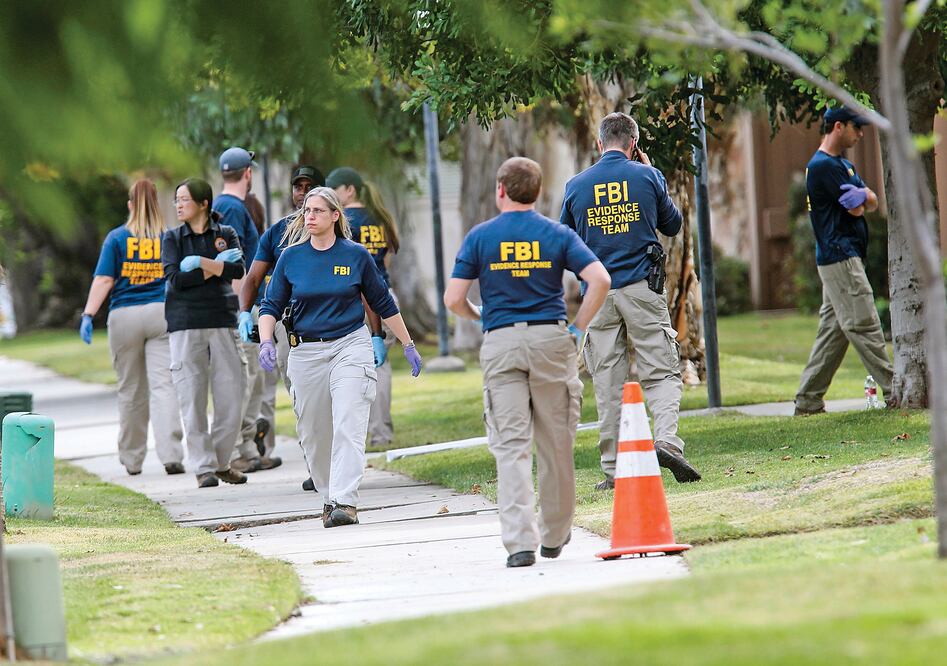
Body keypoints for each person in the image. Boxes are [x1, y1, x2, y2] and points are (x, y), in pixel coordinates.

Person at [445, 157, 610, 567]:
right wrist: (577, 328)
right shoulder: (556, 233)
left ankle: (520, 543)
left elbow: (452, 299)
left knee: (511, 445)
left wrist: (479, 314)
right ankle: (554, 535)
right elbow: (600, 279)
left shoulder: (481, 237)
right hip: (552, 337)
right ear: (537, 192)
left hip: (501, 342)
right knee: (557, 442)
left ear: (500, 189)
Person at [257, 187, 422, 528]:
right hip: (306, 351)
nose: (310, 216)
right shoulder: (291, 257)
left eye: (318, 210)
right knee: (314, 433)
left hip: (350, 345)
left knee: (349, 421)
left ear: (335, 215)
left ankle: (345, 502)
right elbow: (271, 305)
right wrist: (265, 341)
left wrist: (406, 344)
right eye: (306, 211)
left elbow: (382, 303)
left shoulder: (355, 255)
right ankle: (329, 495)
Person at [561, 111, 700, 488]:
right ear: (634, 144)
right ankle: (667, 442)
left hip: (597, 295)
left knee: (607, 380)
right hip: (643, 287)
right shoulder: (647, 176)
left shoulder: (576, 185)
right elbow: (672, 225)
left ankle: (614, 470)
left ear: (600, 142)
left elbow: (564, 242)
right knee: (662, 369)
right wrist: (652, 176)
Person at [79, 179, 185, 476]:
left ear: (129, 205)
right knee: (164, 386)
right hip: (161, 313)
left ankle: (132, 459)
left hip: (124, 316)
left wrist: (88, 314)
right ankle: (171, 455)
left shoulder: (117, 238)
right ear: (157, 204)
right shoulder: (168, 236)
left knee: (130, 389)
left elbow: (104, 280)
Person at [794, 106, 893, 415]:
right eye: (856, 127)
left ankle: (808, 401)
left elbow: (872, 201)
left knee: (833, 334)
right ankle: (896, 392)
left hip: (842, 257)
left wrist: (865, 196)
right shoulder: (823, 166)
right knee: (864, 325)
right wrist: (865, 198)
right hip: (841, 257)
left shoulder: (841, 165)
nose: (861, 133)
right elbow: (857, 209)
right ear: (839, 126)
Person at [239, 165, 324, 487]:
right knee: (301, 395)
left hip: (331, 325)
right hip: (290, 325)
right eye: (297, 187)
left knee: (329, 399)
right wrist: (246, 311)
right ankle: (317, 467)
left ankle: (331, 464)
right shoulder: (277, 233)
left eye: (309, 187)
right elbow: (254, 277)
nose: (301, 193)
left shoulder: (338, 229)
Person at [163, 177, 248, 488]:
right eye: (177, 200)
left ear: (204, 204)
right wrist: (213, 267)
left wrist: (198, 264)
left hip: (223, 319)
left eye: (184, 199)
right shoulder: (173, 238)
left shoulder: (225, 234)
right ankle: (203, 467)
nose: (179, 205)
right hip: (185, 322)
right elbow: (175, 279)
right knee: (192, 396)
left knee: (232, 394)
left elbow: (238, 270)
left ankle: (222, 461)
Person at [326, 167, 401, 447]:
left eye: (333, 189)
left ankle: (359, 433)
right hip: (386, 296)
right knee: (380, 367)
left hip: (357, 298)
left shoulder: (344, 222)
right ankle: (382, 432)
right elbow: (388, 259)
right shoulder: (381, 217)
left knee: (351, 368)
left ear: (349, 190)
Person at [213, 147, 275, 472]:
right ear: (248, 173)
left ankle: (249, 449)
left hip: (246, 306)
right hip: (242, 308)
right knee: (244, 380)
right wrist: (244, 310)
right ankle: (237, 450)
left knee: (254, 382)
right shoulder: (233, 208)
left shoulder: (226, 206)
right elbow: (237, 266)